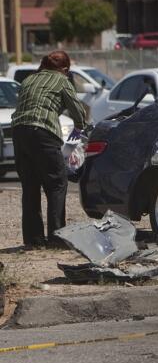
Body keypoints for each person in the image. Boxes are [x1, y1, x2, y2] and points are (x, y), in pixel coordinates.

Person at [13, 51, 90, 249]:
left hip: (19, 133)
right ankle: (56, 238)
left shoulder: (29, 80)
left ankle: (33, 240)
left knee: (30, 186)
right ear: (64, 69)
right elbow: (79, 117)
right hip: (43, 132)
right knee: (57, 183)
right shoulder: (62, 80)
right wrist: (72, 146)